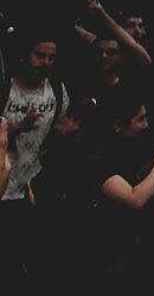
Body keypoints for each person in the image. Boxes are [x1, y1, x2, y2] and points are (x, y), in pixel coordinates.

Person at [91, 96, 154, 277]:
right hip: (105, 250)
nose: (146, 125)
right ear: (118, 126)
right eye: (140, 119)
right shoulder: (98, 157)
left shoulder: (131, 145)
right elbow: (135, 199)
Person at [1, 32, 69, 279]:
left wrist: (64, 133)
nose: (45, 63)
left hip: (31, 186)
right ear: (23, 56)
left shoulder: (57, 92)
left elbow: (59, 129)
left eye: (51, 58)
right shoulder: (5, 87)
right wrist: (18, 127)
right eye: (39, 55)